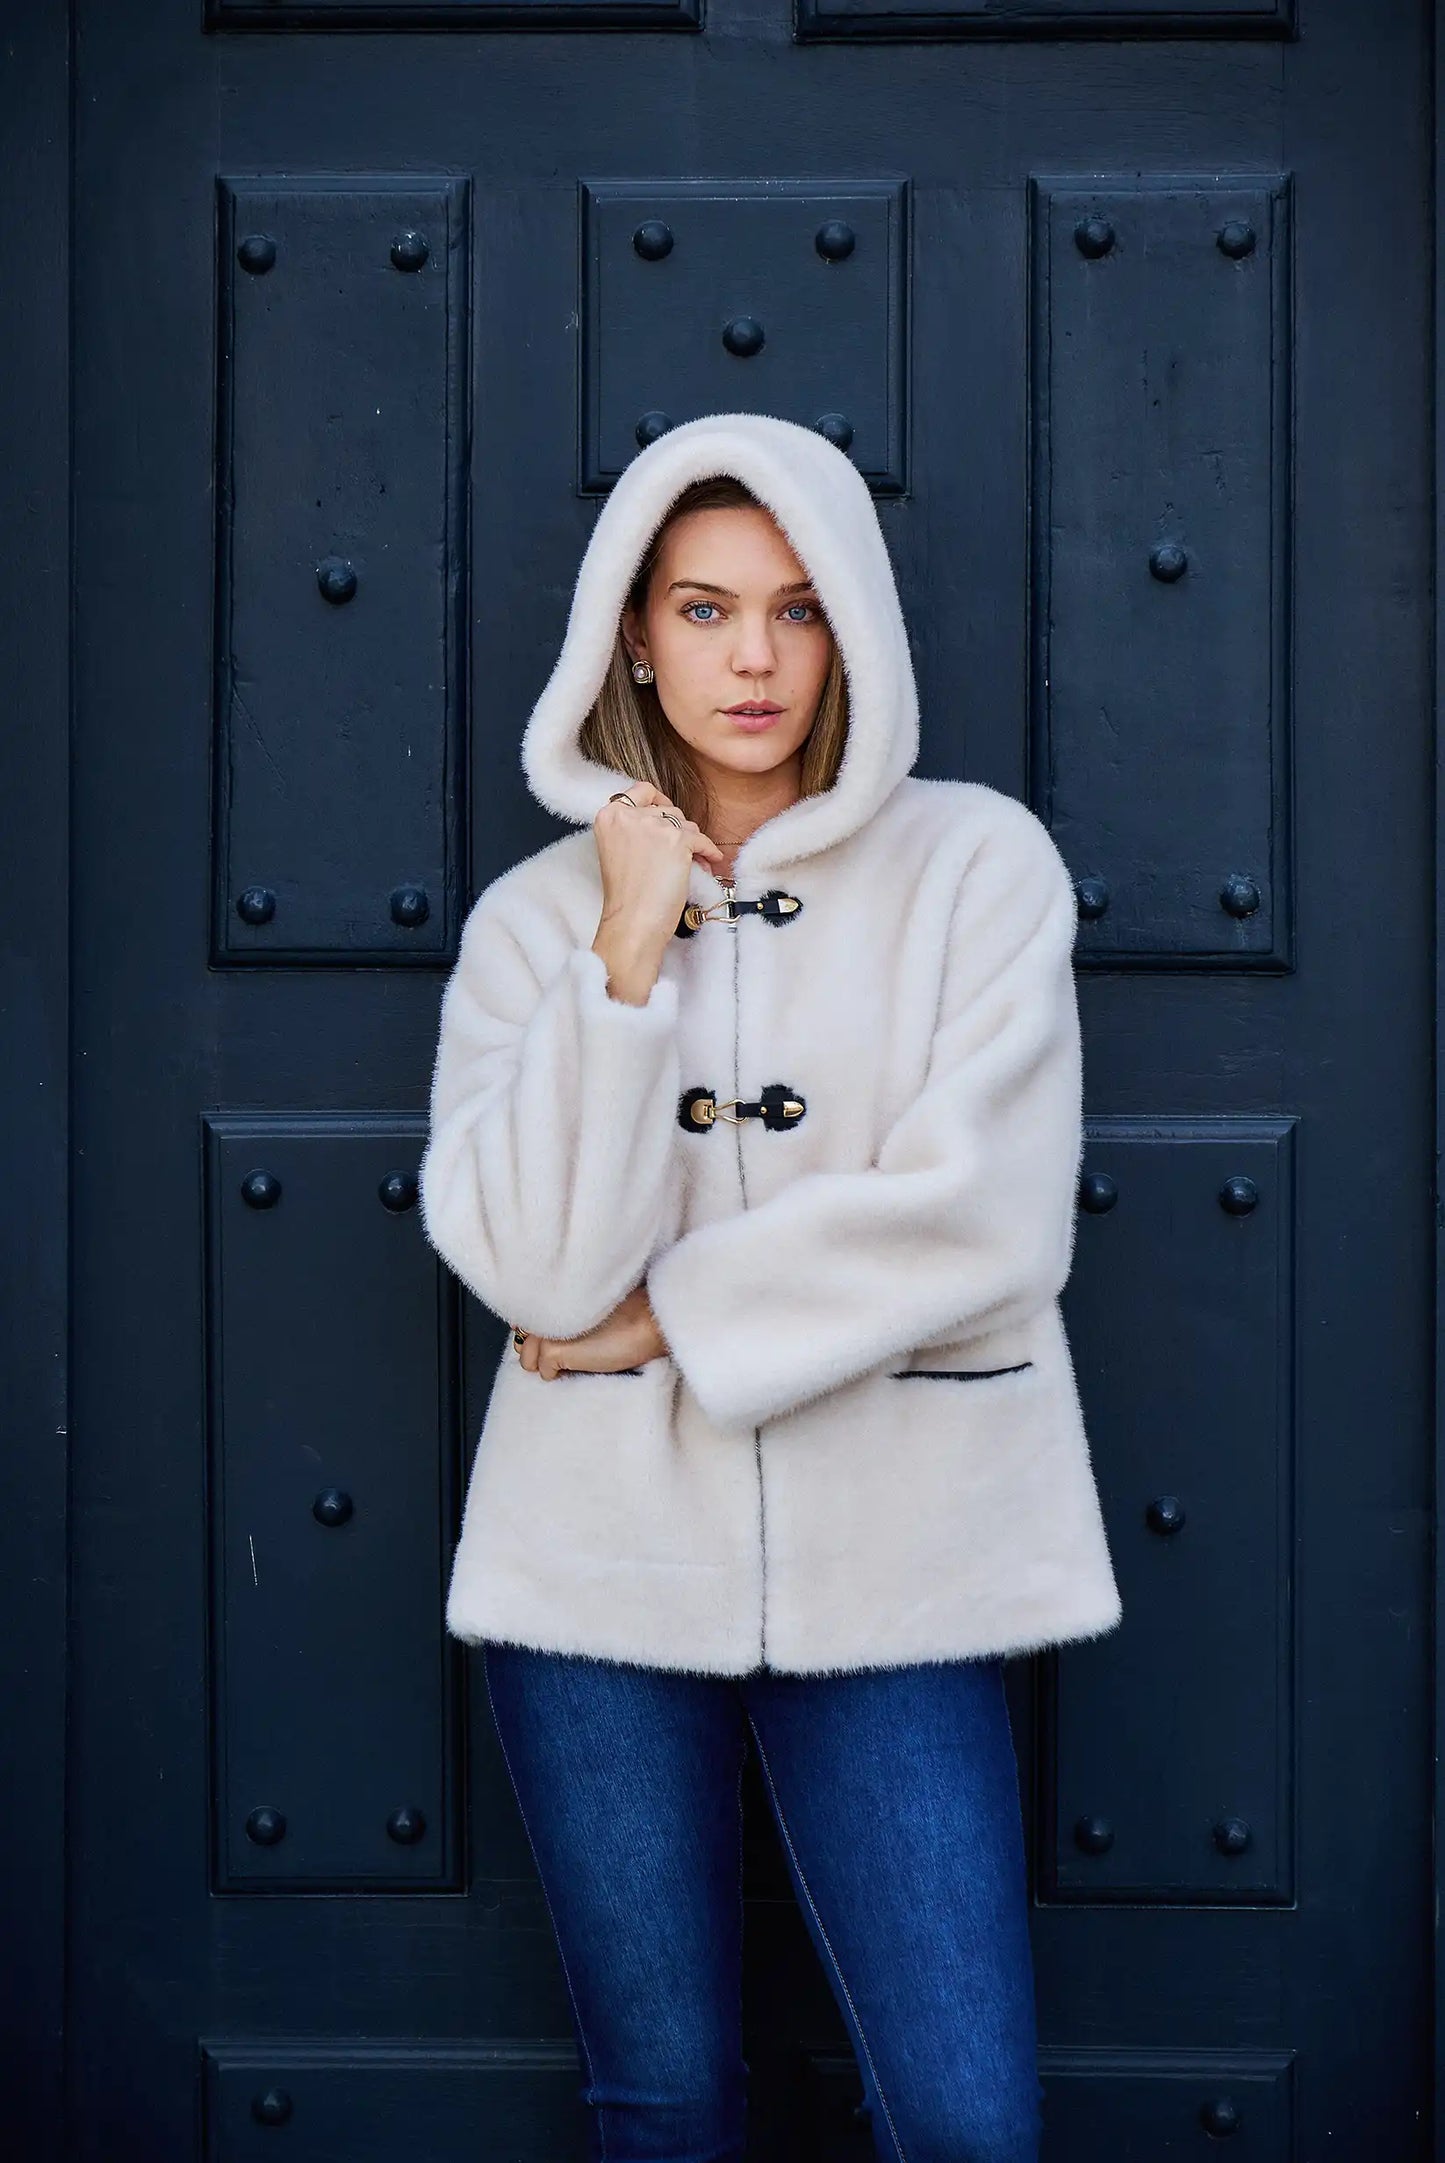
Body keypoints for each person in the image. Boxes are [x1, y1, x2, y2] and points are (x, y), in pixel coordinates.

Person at [418, 411, 1123, 2162]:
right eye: (705, 609)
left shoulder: (977, 869)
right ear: (631, 636)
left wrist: (668, 1321)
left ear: (852, 630)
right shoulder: (534, 922)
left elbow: (988, 1222)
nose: (754, 659)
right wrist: (625, 947)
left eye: (798, 610)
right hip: (595, 1566)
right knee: (660, 2109)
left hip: (906, 1559)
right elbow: (535, 1270)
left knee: (965, 2123)